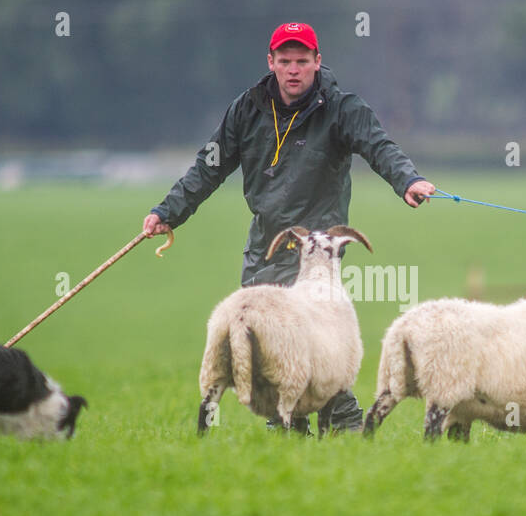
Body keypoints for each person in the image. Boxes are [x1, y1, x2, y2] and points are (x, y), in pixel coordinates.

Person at [142, 21, 436, 432]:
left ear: (317, 62)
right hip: (265, 245)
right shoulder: (246, 109)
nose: (294, 69)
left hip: (316, 252)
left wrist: (407, 179)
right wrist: (167, 212)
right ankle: (289, 438)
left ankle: (343, 431)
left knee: (319, 350)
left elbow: (379, 146)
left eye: (302, 61)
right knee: (266, 353)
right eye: (285, 61)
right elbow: (207, 167)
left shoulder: (342, 108)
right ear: (271, 63)